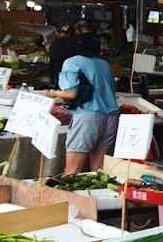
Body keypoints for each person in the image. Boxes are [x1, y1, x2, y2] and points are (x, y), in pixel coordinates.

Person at [45, 33, 119, 174]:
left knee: (72, 170)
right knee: (99, 171)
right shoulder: (103, 63)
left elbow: (71, 93)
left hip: (88, 117)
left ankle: (68, 197)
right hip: (111, 117)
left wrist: (52, 93)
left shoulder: (73, 61)